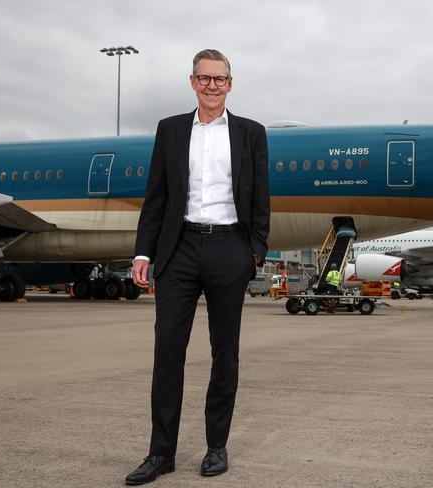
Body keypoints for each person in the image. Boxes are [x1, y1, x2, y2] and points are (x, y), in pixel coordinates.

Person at [126, 49, 270, 486]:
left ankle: (216, 447)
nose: (211, 85)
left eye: (219, 79)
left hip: (230, 248)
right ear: (192, 82)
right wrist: (143, 253)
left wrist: (254, 253)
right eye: (203, 78)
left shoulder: (251, 133)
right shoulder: (170, 130)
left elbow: (260, 199)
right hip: (180, 249)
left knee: (224, 354)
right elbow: (157, 197)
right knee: (167, 351)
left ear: (230, 83)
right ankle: (160, 453)